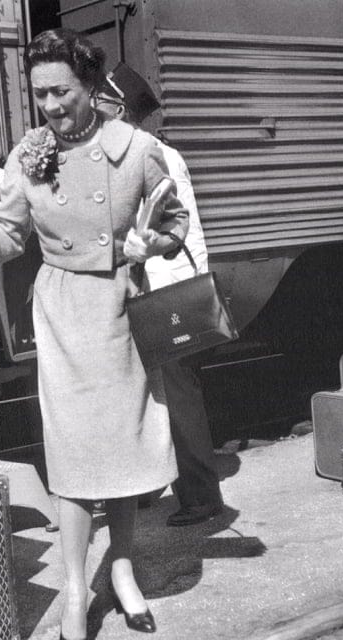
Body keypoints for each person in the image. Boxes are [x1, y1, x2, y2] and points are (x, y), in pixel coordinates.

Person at [0, 29, 188, 639]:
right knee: (74, 454)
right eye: (40, 95)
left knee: (122, 449)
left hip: (121, 307)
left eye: (63, 92)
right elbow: (11, 232)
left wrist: (151, 243)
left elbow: (175, 221)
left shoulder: (137, 149)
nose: (52, 107)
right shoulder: (28, 155)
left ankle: (123, 569)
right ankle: (74, 585)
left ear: (90, 86)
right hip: (63, 316)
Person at [97, 62, 225, 527]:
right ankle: (152, 485)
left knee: (177, 393)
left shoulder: (154, 153)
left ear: (121, 108)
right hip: (149, 288)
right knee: (146, 394)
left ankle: (203, 496)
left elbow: (176, 231)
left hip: (166, 290)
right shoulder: (140, 150)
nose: (94, 108)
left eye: (103, 102)